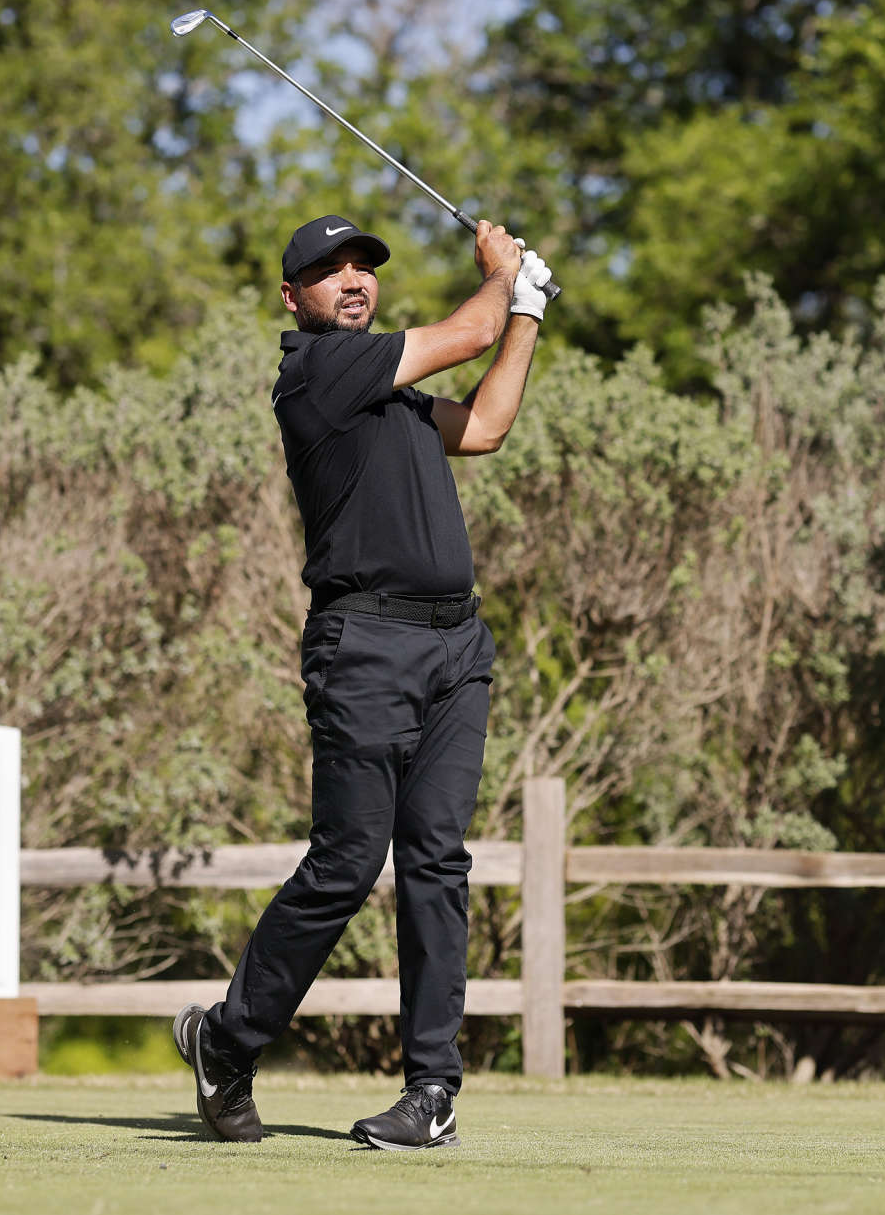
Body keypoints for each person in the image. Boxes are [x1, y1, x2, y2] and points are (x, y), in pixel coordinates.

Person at [173, 212, 552, 1150]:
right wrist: (503, 278)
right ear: (293, 297)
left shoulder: (396, 395)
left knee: (436, 861)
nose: (351, 280)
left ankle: (432, 1091)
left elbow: (491, 424)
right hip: (365, 645)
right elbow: (464, 334)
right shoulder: (316, 373)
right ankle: (230, 1038)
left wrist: (528, 312)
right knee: (348, 860)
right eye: (327, 270)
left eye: (363, 268)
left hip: (456, 648)